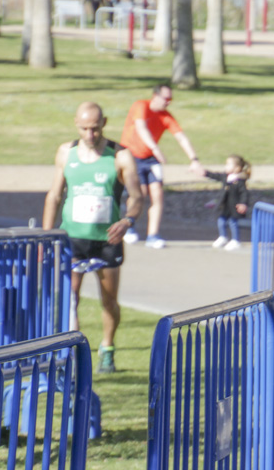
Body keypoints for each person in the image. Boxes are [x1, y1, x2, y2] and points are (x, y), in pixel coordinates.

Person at [42, 102, 144, 374]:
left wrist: (127, 220)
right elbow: (53, 195)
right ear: (76, 124)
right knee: (69, 299)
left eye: (95, 129)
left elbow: (137, 197)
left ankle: (107, 349)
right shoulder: (67, 152)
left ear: (104, 123)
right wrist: (45, 235)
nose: (90, 134)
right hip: (72, 238)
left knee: (108, 300)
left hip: (107, 239)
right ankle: (70, 355)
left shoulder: (120, 155)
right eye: (85, 128)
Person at [118, 83, 203, 249]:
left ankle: (153, 235)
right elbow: (141, 128)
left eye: (170, 99)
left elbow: (181, 137)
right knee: (139, 194)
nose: (168, 102)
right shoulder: (140, 106)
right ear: (155, 96)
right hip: (132, 156)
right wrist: (156, 148)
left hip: (151, 159)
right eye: (166, 98)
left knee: (157, 195)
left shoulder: (166, 116)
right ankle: (130, 228)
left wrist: (194, 159)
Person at [205, 154, 251, 251]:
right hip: (225, 205)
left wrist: (243, 203)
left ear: (237, 168)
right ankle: (223, 237)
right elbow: (215, 175)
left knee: (233, 222)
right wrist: (204, 173)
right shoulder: (226, 177)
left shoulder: (240, 181)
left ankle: (235, 240)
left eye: (228, 165)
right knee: (221, 221)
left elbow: (244, 194)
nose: (226, 167)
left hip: (234, 206)